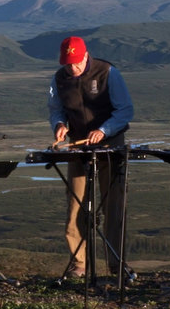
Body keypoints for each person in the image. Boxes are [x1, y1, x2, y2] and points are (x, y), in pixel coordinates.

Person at [48, 36, 134, 278]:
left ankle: (116, 264)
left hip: (110, 145)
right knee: (75, 204)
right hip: (78, 146)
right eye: (68, 64)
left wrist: (104, 130)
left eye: (75, 63)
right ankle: (79, 263)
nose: (72, 69)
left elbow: (125, 110)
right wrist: (60, 125)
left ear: (86, 56)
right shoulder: (59, 78)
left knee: (113, 206)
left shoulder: (107, 72)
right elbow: (56, 109)